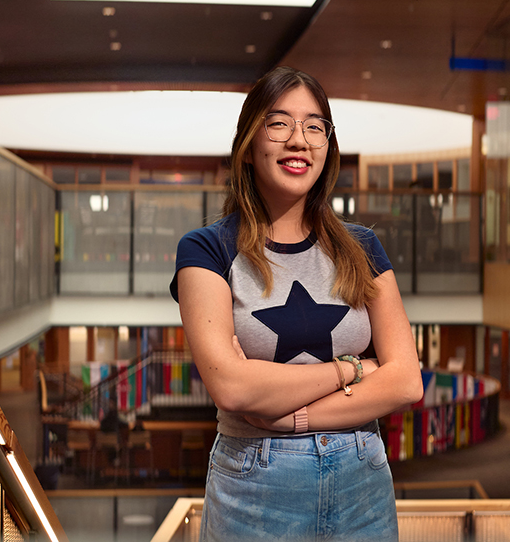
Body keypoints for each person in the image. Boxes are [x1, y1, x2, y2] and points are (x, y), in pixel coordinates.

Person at [170, 66, 424, 541]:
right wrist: (352, 370)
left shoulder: (363, 247)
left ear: (328, 146)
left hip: (362, 478)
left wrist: (292, 416)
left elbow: (407, 381)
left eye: (314, 126)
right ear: (248, 144)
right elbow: (234, 389)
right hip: (255, 484)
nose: (299, 140)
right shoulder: (207, 251)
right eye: (279, 122)